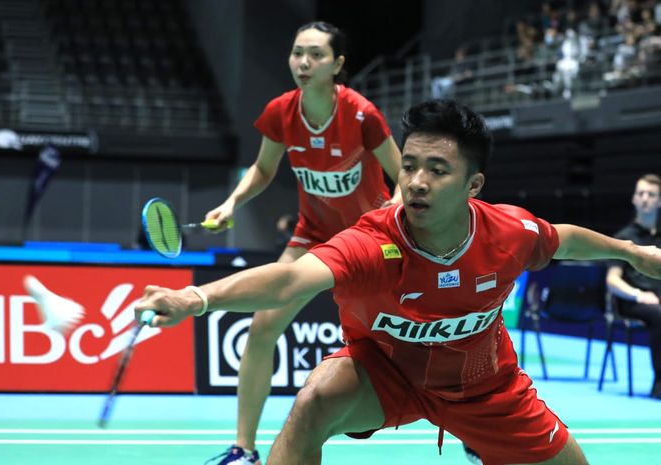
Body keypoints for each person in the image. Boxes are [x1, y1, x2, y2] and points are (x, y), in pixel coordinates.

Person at [136, 99, 661, 465]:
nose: (415, 182)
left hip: (485, 385)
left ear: (473, 184)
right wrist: (196, 297)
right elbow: (291, 279)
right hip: (387, 374)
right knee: (314, 399)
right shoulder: (374, 243)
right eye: (408, 166)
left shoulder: (508, 231)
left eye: (437, 170)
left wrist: (634, 253)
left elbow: (563, 239)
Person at [201, 21, 402, 465]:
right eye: (297, 53)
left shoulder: (361, 114)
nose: (303, 63)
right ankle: (244, 448)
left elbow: (402, 174)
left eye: (315, 54)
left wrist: (397, 221)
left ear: (338, 64)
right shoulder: (281, 112)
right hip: (312, 236)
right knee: (260, 329)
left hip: (371, 239)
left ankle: (471, 424)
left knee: (426, 331)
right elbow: (263, 169)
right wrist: (232, 202)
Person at [606, 173, 661, 399]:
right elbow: (612, 280)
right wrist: (638, 295)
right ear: (634, 200)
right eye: (641, 193)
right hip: (631, 301)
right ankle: (660, 382)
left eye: (651, 194)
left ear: (659, 201)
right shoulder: (624, 239)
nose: (645, 198)